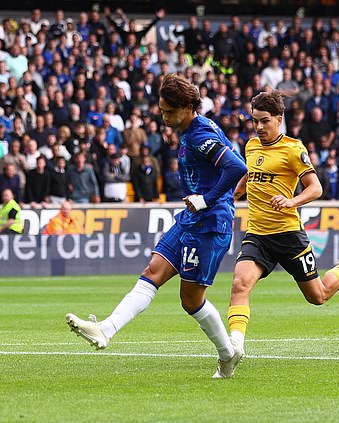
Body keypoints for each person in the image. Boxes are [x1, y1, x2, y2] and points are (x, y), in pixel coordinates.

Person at [66, 74, 248, 379]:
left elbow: (237, 167)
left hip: (209, 225)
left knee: (190, 300)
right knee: (152, 271)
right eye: (162, 111)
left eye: (169, 112)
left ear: (187, 108)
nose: (164, 118)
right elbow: (236, 161)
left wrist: (209, 198)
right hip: (192, 218)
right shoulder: (194, 130)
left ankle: (227, 355)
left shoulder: (201, 134)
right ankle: (105, 329)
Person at [227, 91, 339, 367]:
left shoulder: (294, 149)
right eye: (255, 121)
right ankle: (234, 347)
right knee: (240, 283)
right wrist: (240, 187)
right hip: (258, 234)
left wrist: (291, 200)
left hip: (288, 235)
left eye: (264, 121)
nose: (259, 127)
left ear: (279, 120)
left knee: (318, 296)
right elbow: (252, 172)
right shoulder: (250, 146)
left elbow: (316, 187)